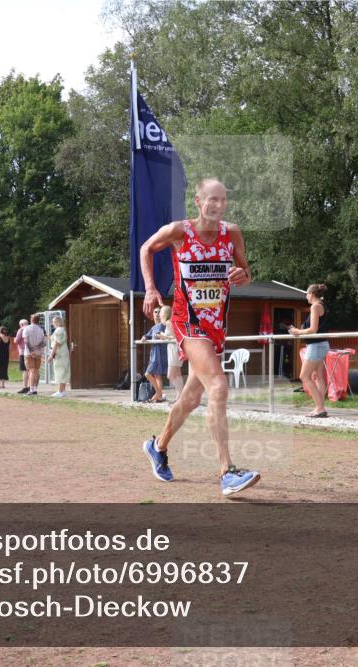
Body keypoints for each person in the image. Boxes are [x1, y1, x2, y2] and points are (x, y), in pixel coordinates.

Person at [139, 178, 260, 496]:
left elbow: (246, 272)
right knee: (218, 385)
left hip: (216, 326)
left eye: (223, 200)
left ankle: (157, 446)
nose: (218, 205)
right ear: (198, 202)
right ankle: (227, 471)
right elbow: (146, 248)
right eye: (212, 199)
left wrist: (242, 275)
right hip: (187, 322)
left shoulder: (232, 233)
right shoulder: (180, 231)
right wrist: (150, 288)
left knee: (191, 398)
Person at [289, 284, 329, 418]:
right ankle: (320, 406)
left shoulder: (315, 306)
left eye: (306, 293)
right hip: (322, 344)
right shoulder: (322, 305)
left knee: (304, 376)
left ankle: (320, 407)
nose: (306, 296)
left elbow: (313, 329)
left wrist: (297, 331)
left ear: (311, 294)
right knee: (318, 376)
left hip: (316, 345)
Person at [139, 308, 167, 403]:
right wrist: (144, 337)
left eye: (159, 312)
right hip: (154, 353)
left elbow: (161, 336)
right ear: (153, 315)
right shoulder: (153, 327)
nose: (157, 313)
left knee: (147, 374)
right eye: (156, 312)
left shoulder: (162, 325)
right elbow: (148, 335)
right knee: (157, 375)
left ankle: (158, 394)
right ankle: (159, 396)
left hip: (159, 353)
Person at [157, 305, 184, 400]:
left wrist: (163, 336)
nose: (159, 314)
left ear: (165, 314)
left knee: (170, 375)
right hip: (173, 349)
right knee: (177, 374)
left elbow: (176, 336)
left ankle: (182, 394)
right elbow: (172, 335)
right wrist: (163, 336)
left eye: (161, 312)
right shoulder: (169, 322)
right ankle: (180, 396)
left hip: (174, 349)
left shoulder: (169, 322)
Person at [21, 314, 47, 395]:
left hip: (29, 353)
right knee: (36, 371)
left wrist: (31, 350)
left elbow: (26, 341)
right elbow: (44, 343)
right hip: (38, 353)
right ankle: (35, 388)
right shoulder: (41, 330)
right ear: (38, 320)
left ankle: (31, 389)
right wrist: (37, 348)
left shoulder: (26, 329)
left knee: (31, 371)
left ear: (31, 320)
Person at [47, 316, 70, 397]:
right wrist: (46, 336)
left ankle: (60, 391)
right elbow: (53, 339)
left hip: (60, 354)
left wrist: (51, 355)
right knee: (64, 371)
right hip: (63, 353)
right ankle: (62, 390)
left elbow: (57, 343)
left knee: (60, 371)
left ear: (57, 322)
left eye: (53, 322)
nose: (52, 324)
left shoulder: (59, 330)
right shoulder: (62, 329)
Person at [15, 319, 29, 393]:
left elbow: (16, 341)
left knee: (25, 370)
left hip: (23, 352)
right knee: (31, 370)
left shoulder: (21, 330)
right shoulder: (30, 329)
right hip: (31, 352)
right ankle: (31, 386)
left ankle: (25, 387)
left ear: (21, 324)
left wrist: (15, 339)